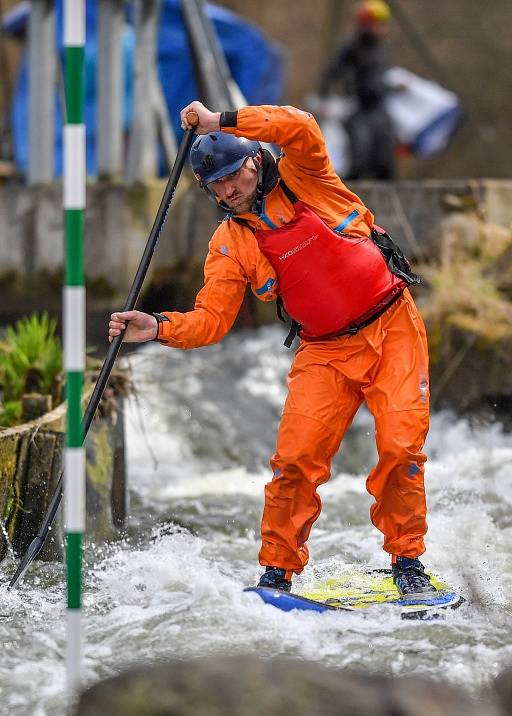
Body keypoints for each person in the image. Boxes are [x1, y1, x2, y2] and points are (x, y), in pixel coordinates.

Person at [109, 100, 434, 596]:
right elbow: (211, 322)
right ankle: (276, 573)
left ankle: (408, 564)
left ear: (256, 160)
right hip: (323, 352)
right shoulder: (229, 242)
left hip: (393, 330)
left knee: (399, 448)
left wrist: (221, 121)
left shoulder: (308, 177)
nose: (227, 190)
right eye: (215, 185)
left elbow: (300, 125)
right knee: (294, 462)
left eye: (233, 175)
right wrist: (155, 327)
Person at [318, 0, 396, 180]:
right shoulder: (351, 48)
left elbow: (382, 77)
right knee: (360, 152)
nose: (379, 27)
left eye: (382, 23)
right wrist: (324, 99)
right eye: (374, 23)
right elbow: (331, 74)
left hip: (380, 108)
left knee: (385, 155)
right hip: (358, 108)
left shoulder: (381, 49)